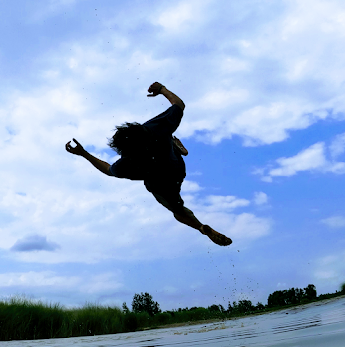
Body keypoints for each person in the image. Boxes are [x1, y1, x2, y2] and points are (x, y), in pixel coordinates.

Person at [66, 82, 233, 246]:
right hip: (176, 168)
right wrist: (162, 89)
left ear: (124, 150)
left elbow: (108, 170)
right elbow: (179, 104)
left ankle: (201, 228)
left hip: (162, 185)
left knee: (178, 211)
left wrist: (84, 154)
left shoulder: (126, 163)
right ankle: (176, 147)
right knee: (165, 142)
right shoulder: (153, 129)